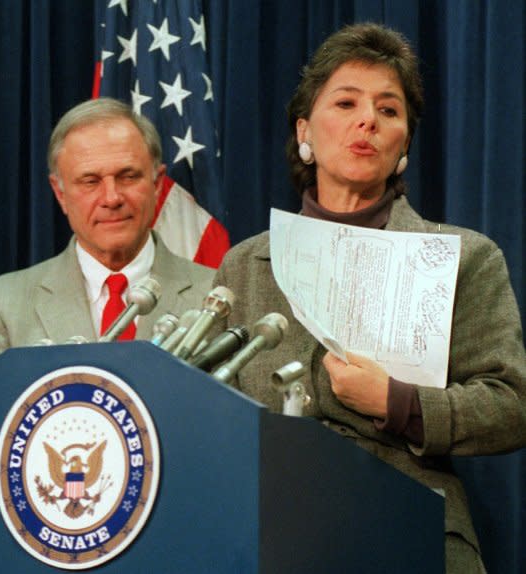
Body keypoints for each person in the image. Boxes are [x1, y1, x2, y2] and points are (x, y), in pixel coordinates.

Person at [211, 23, 526, 573]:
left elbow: (511, 408)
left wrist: (397, 402)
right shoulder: (245, 265)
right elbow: (213, 415)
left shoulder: (465, 258)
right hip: (275, 538)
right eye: (347, 102)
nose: (368, 121)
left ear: (403, 143)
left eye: (389, 110)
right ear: (304, 130)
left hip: (415, 533)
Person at [0, 98, 215, 376]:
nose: (111, 198)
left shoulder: (214, 297)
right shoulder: (2, 306)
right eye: (90, 181)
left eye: (128, 176)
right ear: (60, 193)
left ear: (157, 185)